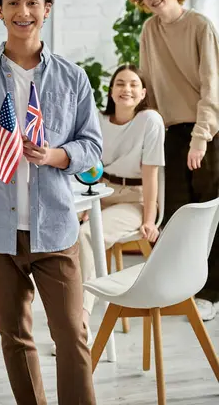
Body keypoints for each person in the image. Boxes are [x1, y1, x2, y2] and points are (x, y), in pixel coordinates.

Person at [0, 0, 101, 405]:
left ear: (46, 9)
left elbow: (91, 146)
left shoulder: (73, 78)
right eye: (12, 2)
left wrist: (52, 155)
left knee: (71, 334)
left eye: (32, 2)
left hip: (54, 227)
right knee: (14, 336)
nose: (23, 11)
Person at [129, 0, 219, 321]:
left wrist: (201, 137)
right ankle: (185, 289)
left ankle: (211, 294)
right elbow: (147, 83)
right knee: (179, 216)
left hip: (205, 133)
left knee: (208, 216)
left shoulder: (199, 26)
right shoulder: (150, 31)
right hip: (169, 134)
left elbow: (212, 85)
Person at [78, 64, 164, 328]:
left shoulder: (150, 120)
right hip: (100, 192)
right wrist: (83, 204)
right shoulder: (99, 120)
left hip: (134, 198)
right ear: (111, 91)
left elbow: (151, 175)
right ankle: (62, 305)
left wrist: (149, 220)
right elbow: (88, 167)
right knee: (60, 229)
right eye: (120, 84)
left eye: (133, 84)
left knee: (86, 235)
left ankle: (80, 318)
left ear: (143, 93)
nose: (126, 89)